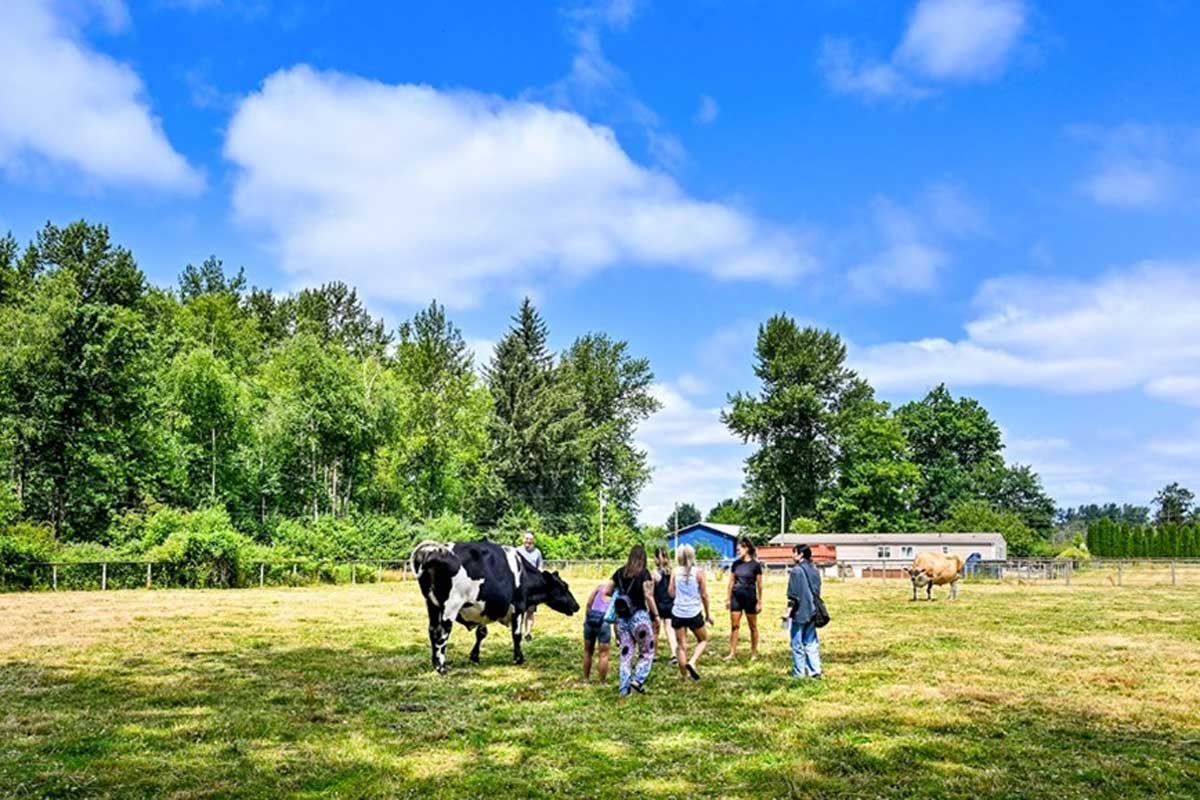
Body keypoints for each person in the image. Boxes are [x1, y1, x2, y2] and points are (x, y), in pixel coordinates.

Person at [604, 544, 660, 696]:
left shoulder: (620, 572)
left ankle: (624, 689)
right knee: (647, 651)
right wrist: (656, 615)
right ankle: (638, 680)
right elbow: (648, 595)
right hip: (639, 617)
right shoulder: (644, 573)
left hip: (622, 620)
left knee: (626, 654)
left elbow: (606, 591)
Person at [669, 544, 713, 681]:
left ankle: (684, 676)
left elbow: (671, 592)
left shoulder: (675, 572)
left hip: (678, 612)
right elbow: (704, 595)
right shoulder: (699, 572)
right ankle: (692, 662)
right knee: (703, 639)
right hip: (693, 612)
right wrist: (708, 614)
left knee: (681, 645)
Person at [785, 544, 823, 679]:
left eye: (794, 553)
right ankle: (815, 671)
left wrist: (787, 612)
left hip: (799, 612)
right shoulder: (815, 569)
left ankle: (799, 673)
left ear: (800, 554)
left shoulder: (796, 571)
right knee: (811, 642)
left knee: (797, 643)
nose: (792, 555)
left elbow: (793, 595)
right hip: (813, 610)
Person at [725, 536, 763, 660]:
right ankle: (732, 652)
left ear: (746, 548)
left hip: (750, 597)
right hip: (736, 597)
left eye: (739, 549)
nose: (738, 551)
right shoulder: (735, 564)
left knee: (752, 626)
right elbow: (731, 582)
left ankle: (754, 652)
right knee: (734, 626)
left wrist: (759, 601)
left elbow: (759, 585)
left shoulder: (755, 565)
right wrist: (728, 598)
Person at [581, 583, 613, 682]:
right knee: (603, 654)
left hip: (590, 619)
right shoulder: (617, 593)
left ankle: (586, 679)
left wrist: (587, 619)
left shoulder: (599, 587)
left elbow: (589, 603)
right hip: (604, 622)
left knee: (587, 652)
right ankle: (602, 682)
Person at [652, 547, 678, 665]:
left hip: (657, 604)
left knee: (654, 631)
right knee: (670, 630)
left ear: (658, 558)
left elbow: (650, 592)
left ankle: (653, 654)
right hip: (670, 603)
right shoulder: (672, 572)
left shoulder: (654, 574)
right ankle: (674, 653)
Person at [517, 531, 543, 641]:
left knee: (530, 610)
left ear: (533, 540)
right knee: (519, 611)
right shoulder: (517, 551)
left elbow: (540, 567)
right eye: (526, 538)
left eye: (530, 539)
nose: (528, 541)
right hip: (519, 584)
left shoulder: (537, 552)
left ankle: (528, 633)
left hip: (532, 586)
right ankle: (518, 631)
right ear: (523, 539)